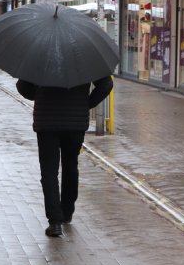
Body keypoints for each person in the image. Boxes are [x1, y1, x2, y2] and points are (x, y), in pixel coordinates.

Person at [16, 77, 114, 237]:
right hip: (75, 122)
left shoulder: (41, 54)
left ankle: (55, 222)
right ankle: (67, 212)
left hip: (46, 121)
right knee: (70, 165)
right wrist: (86, 103)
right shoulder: (85, 55)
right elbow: (106, 84)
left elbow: (22, 86)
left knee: (49, 172)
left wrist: (39, 95)